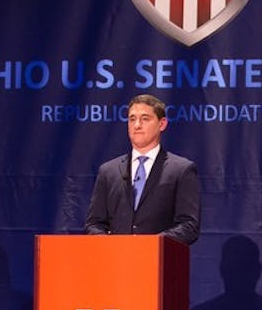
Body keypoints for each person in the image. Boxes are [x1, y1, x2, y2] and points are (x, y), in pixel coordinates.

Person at [84, 94, 200, 245]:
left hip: (159, 261)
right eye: (132, 119)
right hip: (115, 261)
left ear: (162, 124)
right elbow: (94, 224)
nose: (137, 125)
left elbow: (189, 226)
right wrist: (109, 244)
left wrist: (149, 245)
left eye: (145, 118)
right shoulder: (108, 171)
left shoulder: (181, 170)